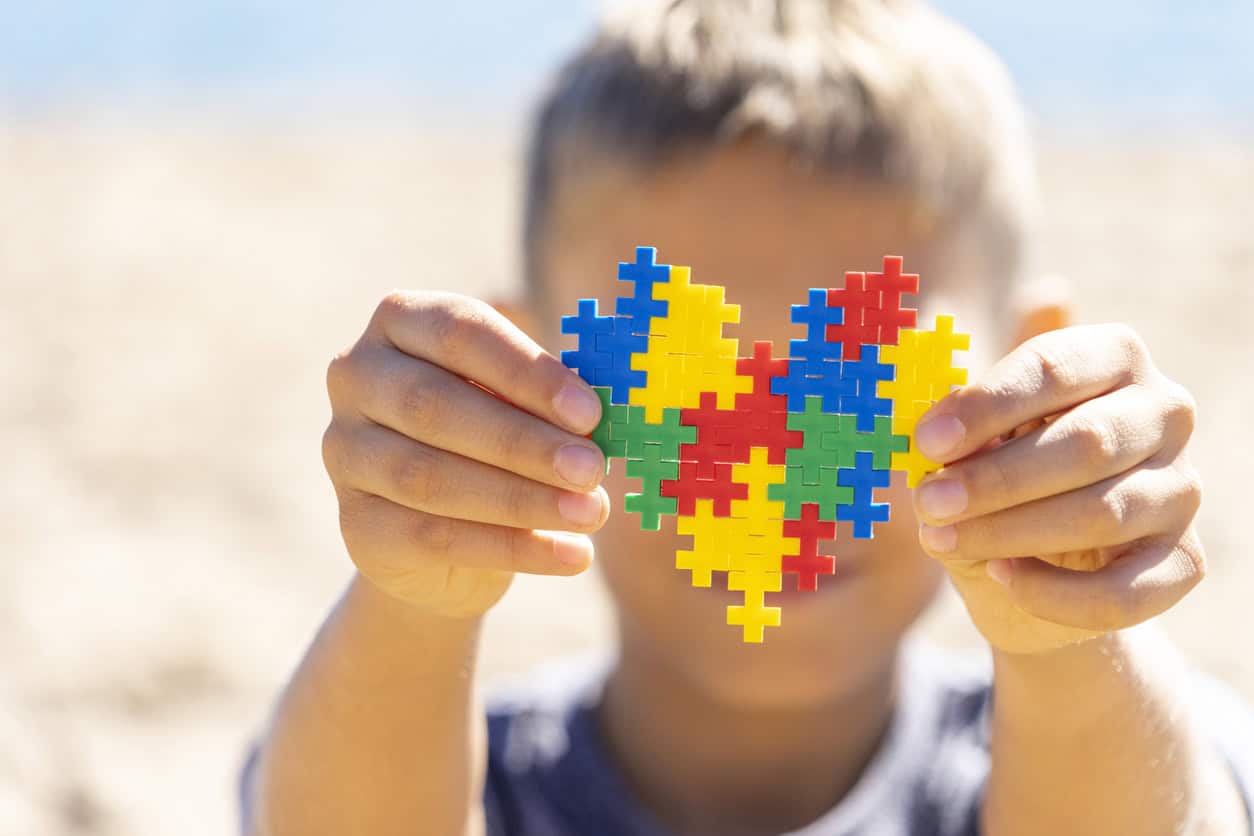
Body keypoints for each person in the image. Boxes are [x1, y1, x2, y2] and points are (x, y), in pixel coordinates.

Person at [240, 2, 1254, 834]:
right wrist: (415, 601)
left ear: (1023, 368)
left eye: (859, 387)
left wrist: (1065, 635)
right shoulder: (423, 747)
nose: (769, 478)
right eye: (676, 390)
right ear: (516, 377)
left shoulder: (1102, 736)